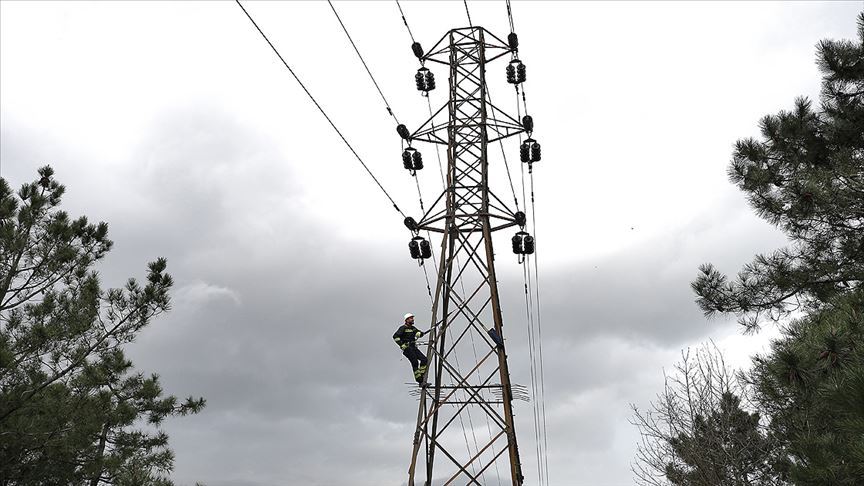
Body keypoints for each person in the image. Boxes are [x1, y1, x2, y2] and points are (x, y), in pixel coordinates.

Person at [393, 313, 428, 386]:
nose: (412, 319)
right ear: (407, 320)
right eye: (411, 318)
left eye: (412, 318)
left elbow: (417, 332)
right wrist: (401, 345)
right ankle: (419, 380)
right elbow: (395, 336)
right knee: (415, 362)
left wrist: (420, 333)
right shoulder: (403, 328)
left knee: (424, 359)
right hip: (407, 348)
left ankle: (421, 375)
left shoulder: (413, 328)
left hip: (413, 347)